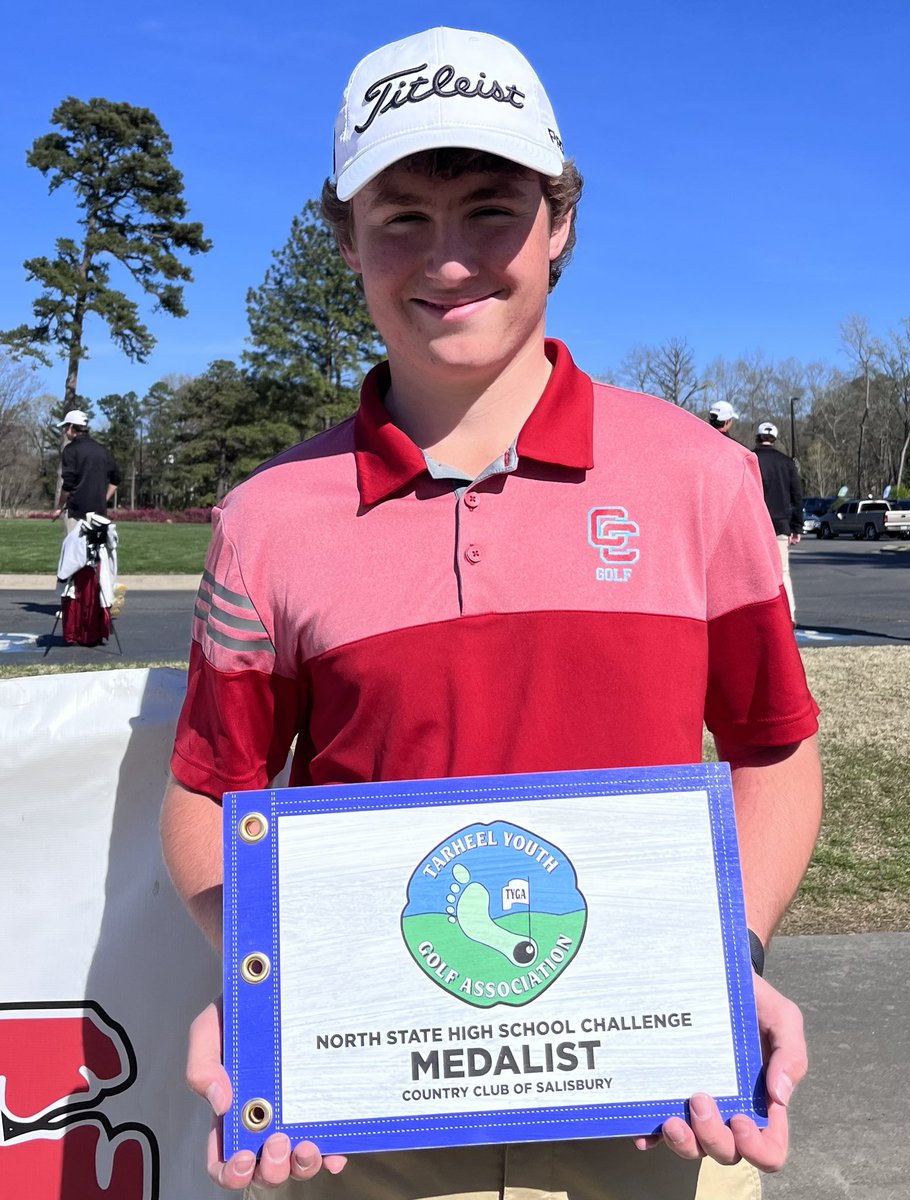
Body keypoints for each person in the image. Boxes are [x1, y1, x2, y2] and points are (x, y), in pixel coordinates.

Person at [160, 26, 822, 1200]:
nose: (450, 259)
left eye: (491, 210)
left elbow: (774, 747)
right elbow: (216, 788)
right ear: (344, 239)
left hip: (658, 1111)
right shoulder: (269, 518)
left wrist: (731, 962)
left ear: (560, 221)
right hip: (367, 1125)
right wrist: (273, 994)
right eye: (403, 216)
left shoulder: (700, 478)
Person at [752, 422, 803, 623]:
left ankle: (760, 617)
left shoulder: (750, 459)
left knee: (756, 573)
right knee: (782, 572)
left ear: (757, 437)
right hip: (781, 525)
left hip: (755, 525)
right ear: (774, 438)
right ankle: (789, 614)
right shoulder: (787, 463)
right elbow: (796, 497)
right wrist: (796, 526)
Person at [53, 409, 120, 532]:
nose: (65, 431)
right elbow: (115, 480)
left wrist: (59, 507)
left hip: (76, 512)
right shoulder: (102, 450)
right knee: (96, 550)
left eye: (66, 427)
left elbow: (68, 484)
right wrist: (103, 499)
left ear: (72, 427)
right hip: (99, 515)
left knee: (74, 550)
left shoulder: (70, 450)